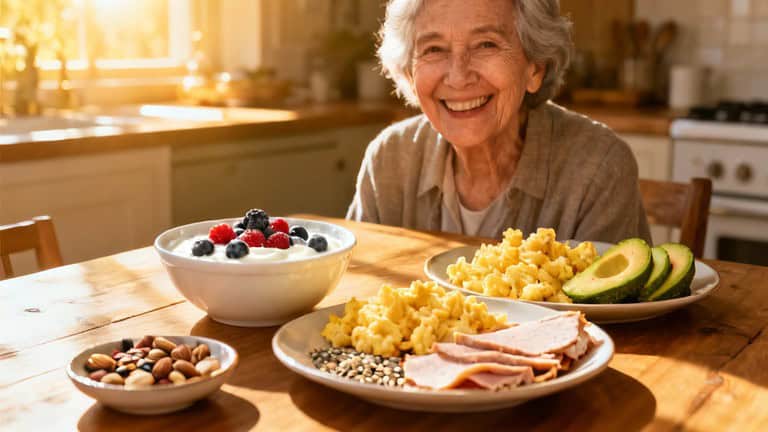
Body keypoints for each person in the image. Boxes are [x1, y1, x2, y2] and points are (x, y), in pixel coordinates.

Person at [346, 0, 651, 243]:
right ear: (411, 75)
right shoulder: (389, 159)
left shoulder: (598, 167)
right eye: (434, 49)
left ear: (535, 67)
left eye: (485, 44)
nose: (458, 76)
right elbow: (356, 289)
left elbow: (607, 315)